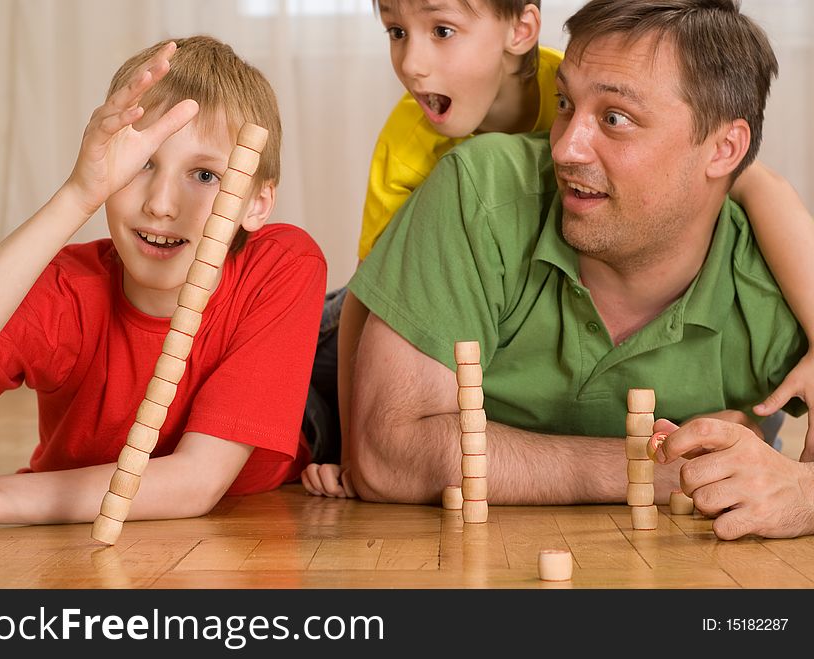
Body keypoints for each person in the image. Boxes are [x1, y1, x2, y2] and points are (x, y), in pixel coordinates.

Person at [302, 0, 814, 498]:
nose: (565, 147)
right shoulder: (470, 180)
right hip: (344, 326)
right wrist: (652, 471)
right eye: (564, 103)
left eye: (616, 119)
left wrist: (799, 492)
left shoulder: (772, 277)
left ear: (724, 150)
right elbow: (385, 452)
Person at [0, 36, 326, 533]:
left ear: (256, 204)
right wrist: (78, 195)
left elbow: (196, 482)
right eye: (142, 162)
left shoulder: (284, 262)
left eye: (205, 175)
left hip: (314, 402)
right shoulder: (68, 290)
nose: (161, 204)